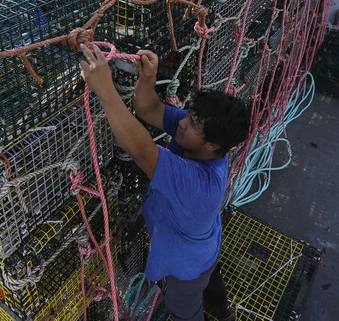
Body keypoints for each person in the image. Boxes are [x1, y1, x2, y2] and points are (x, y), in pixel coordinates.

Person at [79, 43, 250, 321]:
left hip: (185, 265)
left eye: (194, 125)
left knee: (184, 311)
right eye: (191, 117)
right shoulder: (200, 139)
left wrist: (105, 90)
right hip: (205, 244)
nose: (183, 123)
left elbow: (142, 149)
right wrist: (147, 80)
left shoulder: (199, 183)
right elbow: (149, 109)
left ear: (213, 145)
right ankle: (224, 313)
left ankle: (214, 312)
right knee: (211, 273)